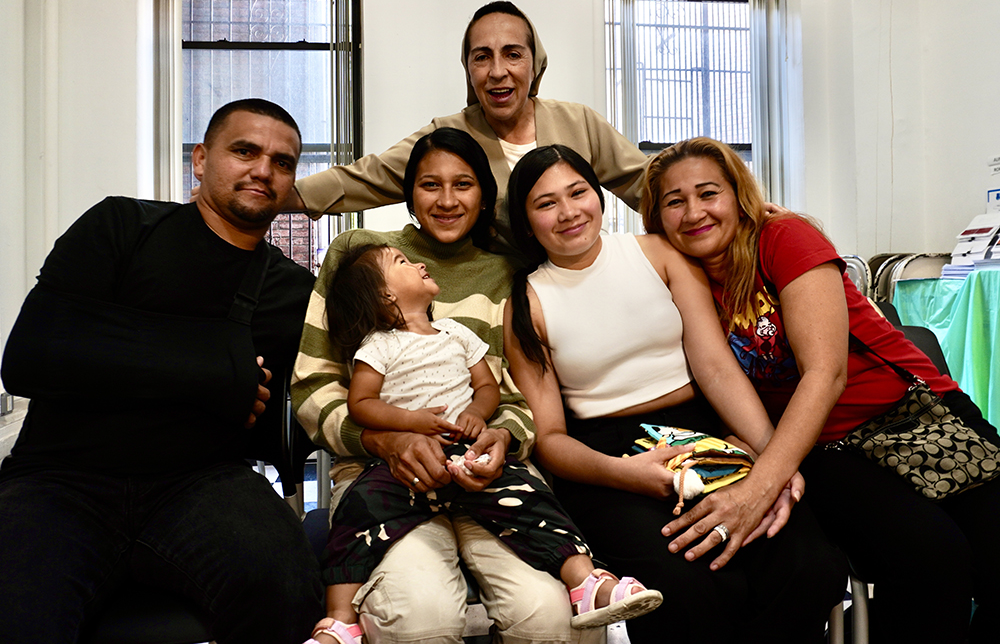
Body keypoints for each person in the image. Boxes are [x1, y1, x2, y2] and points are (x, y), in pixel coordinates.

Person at [642, 136, 1000, 643]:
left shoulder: (783, 237)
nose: (694, 212)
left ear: (738, 195)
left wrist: (759, 490)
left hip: (913, 414)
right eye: (674, 201)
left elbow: (825, 372)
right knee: (932, 557)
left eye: (708, 193)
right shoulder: (676, 276)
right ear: (655, 217)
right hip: (818, 443)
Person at [0, 99, 325, 644]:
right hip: (60, 479)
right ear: (200, 160)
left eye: (282, 162)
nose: (263, 170)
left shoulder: (292, 290)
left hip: (200, 483)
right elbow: (33, 355)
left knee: (288, 585)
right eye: (244, 150)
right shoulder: (122, 226)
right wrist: (211, 371)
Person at [502, 144, 847, 644]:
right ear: (526, 220)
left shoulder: (657, 253)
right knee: (694, 587)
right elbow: (551, 437)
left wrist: (776, 467)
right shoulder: (527, 302)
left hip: (701, 433)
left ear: (597, 194)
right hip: (605, 459)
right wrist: (625, 474)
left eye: (578, 192)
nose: (569, 212)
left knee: (808, 567)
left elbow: (716, 368)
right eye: (546, 203)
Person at [293, 127, 605, 644]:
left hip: (486, 471)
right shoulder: (362, 255)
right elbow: (312, 386)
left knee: (550, 618)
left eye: (463, 184)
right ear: (409, 193)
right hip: (385, 475)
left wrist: (501, 436)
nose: (446, 200)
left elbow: (519, 395)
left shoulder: (508, 274)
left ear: (484, 194)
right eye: (428, 185)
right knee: (422, 620)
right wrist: (386, 440)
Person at [305, 242, 662, 644]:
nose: (417, 262)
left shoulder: (457, 333)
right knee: (358, 516)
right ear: (386, 296)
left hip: (470, 455)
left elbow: (488, 386)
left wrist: (477, 412)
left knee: (535, 502)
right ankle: (339, 624)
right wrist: (407, 425)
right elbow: (361, 403)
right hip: (405, 466)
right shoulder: (378, 345)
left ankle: (587, 584)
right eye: (402, 262)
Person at [290, 0, 650, 250]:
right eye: (482, 57)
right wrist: (276, 196)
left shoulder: (579, 122)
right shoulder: (449, 136)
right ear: (468, 68)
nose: (497, 72)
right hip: (499, 299)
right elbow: (366, 177)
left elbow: (647, 184)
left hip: (583, 276)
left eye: (512, 54)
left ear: (534, 63)